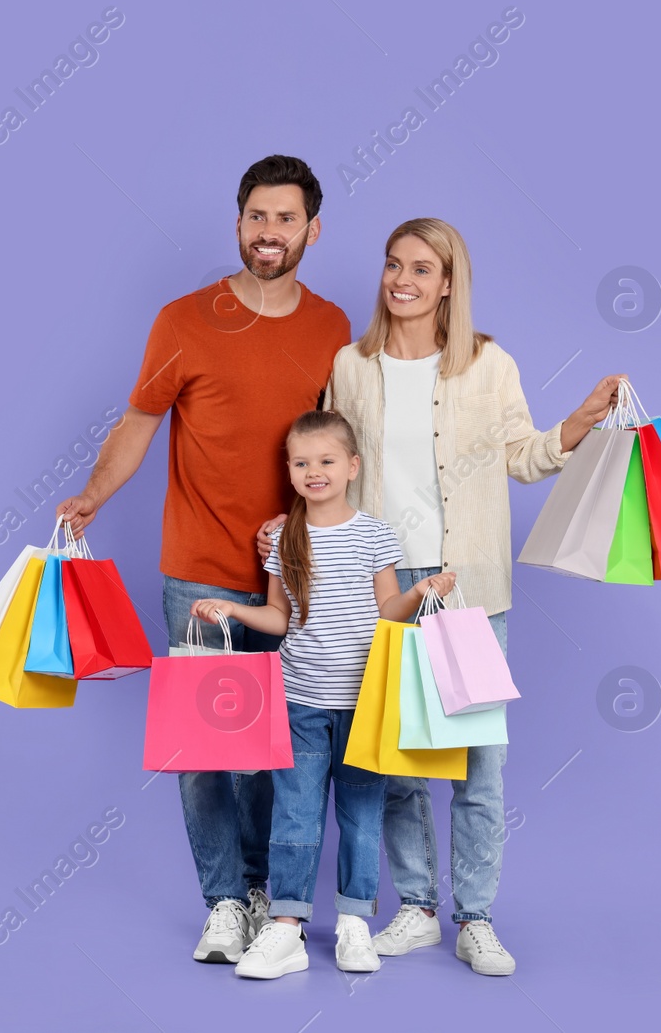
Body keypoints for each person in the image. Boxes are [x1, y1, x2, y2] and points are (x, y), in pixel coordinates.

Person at [257, 217, 624, 976]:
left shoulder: (489, 365)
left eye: (422, 269)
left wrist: (580, 423)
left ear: (448, 282)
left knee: (477, 763)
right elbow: (328, 465)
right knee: (395, 760)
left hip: (468, 588)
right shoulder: (350, 365)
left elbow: (524, 457)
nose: (402, 281)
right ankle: (417, 908)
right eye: (394, 265)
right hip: (380, 587)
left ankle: (476, 917)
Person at [57, 156, 352, 963]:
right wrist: (92, 496)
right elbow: (138, 422)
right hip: (195, 565)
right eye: (257, 216)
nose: (269, 232)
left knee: (273, 751)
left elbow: (342, 452)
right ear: (238, 223)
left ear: (312, 230)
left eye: (286, 219)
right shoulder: (184, 319)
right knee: (205, 752)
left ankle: (264, 892)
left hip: (291, 576)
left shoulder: (332, 329)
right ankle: (224, 901)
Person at [193, 411, 456, 978]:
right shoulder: (285, 539)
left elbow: (388, 612)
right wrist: (233, 609)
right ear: (289, 471)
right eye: (302, 462)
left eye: (326, 461)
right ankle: (286, 928)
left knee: (361, 815)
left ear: (352, 467)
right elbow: (279, 618)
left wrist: (421, 592)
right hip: (300, 703)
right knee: (295, 813)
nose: (314, 472)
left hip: (366, 705)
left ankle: (355, 924)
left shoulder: (374, 534)